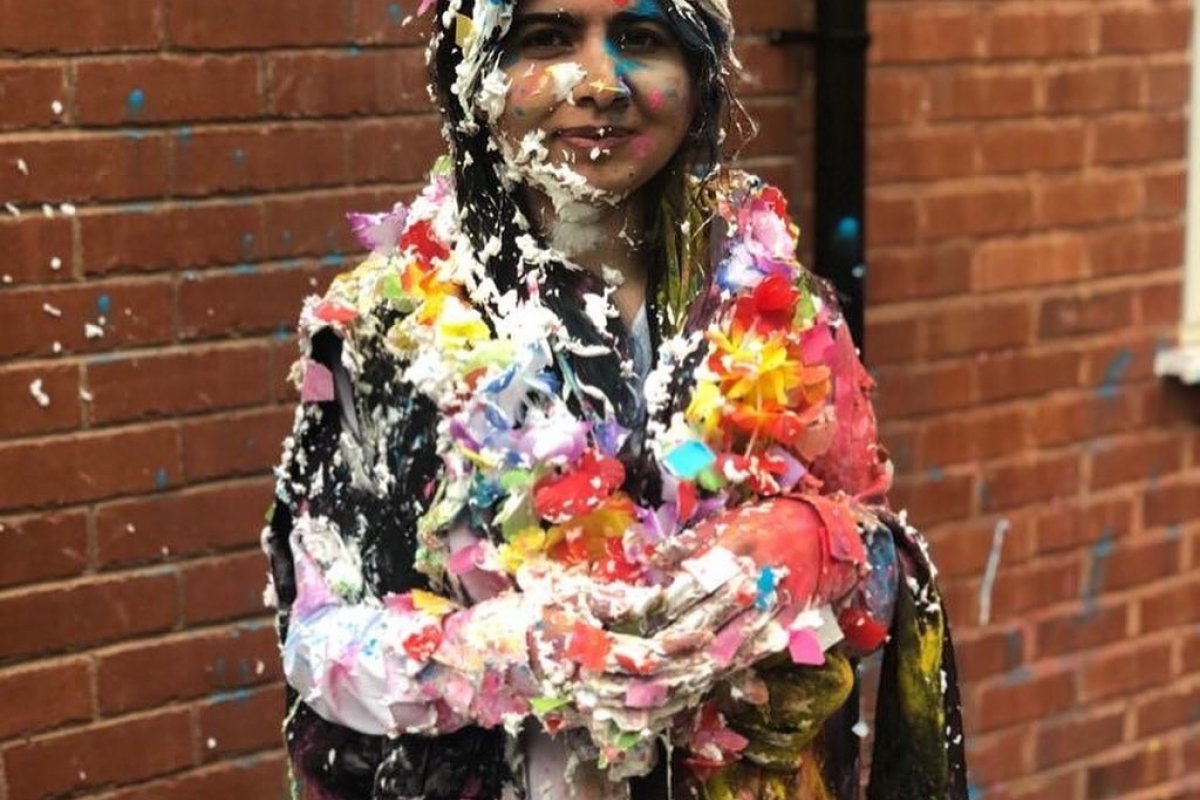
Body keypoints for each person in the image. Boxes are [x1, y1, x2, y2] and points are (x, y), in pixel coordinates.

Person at [263, 0, 969, 798]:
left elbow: (878, 560)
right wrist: (522, 655)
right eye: (546, 37)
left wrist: (816, 548)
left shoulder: (785, 308)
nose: (600, 82)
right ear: (474, 74)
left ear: (699, 74)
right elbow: (320, 648)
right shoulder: (389, 331)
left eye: (640, 39)